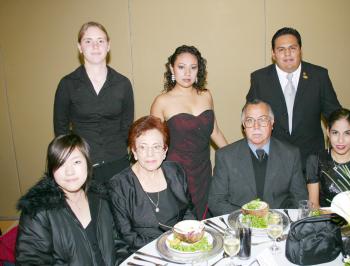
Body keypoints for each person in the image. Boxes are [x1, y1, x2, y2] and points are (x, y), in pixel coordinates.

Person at [16, 134, 128, 265]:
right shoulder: (38, 211)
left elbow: (118, 245)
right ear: (52, 169)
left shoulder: (101, 199)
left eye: (76, 162)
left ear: (88, 164)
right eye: (61, 163)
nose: (69, 172)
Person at [150, 45, 228, 219]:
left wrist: (235, 161)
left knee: (207, 225)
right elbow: (153, 144)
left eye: (193, 68)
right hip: (176, 176)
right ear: (172, 68)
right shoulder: (162, 101)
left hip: (204, 173)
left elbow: (214, 132)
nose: (187, 73)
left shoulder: (206, 95)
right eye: (181, 67)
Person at [246, 27, 341, 168]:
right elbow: (250, 119)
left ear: (300, 50)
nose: (287, 54)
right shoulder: (260, 79)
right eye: (281, 49)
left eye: (292, 48)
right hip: (272, 160)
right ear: (273, 53)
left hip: (311, 160)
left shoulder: (318, 76)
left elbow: (335, 115)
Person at [53, 21, 134, 183]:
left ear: (108, 45)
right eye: (88, 41)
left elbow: (127, 126)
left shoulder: (123, 83)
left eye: (100, 41)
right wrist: (74, 159)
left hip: (118, 163)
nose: (95, 46)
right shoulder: (67, 84)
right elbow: (61, 129)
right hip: (84, 166)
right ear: (80, 47)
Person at [108, 115, 194, 252]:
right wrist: (166, 246)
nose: (150, 154)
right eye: (143, 147)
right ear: (134, 151)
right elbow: (126, 236)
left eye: (156, 147)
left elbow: (188, 211)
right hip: (143, 252)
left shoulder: (175, 171)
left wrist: (190, 237)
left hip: (181, 247)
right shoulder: (119, 185)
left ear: (164, 151)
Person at [208, 99, 308, 216]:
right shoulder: (226, 156)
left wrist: (278, 219)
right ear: (244, 126)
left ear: (272, 123)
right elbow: (216, 201)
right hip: (240, 227)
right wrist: (248, 218)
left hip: (278, 226)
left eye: (262, 119)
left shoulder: (290, 154)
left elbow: (299, 198)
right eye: (250, 120)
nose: (256, 126)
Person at [306, 108, 350, 208]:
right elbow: (314, 205)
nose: (340, 140)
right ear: (328, 132)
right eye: (335, 133)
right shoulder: (315, 160)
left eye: (347, 133)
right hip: (324, 220)